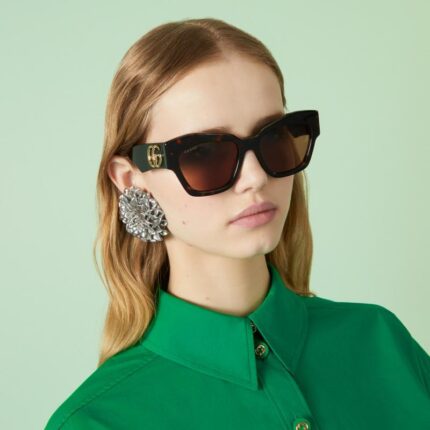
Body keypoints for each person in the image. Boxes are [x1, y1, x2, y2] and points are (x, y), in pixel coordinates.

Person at [44, 17, 430, 429]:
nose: (256, 177)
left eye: (274, 139)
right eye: (204, 153)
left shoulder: (381, 342)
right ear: (130, 179)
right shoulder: (98, 421)